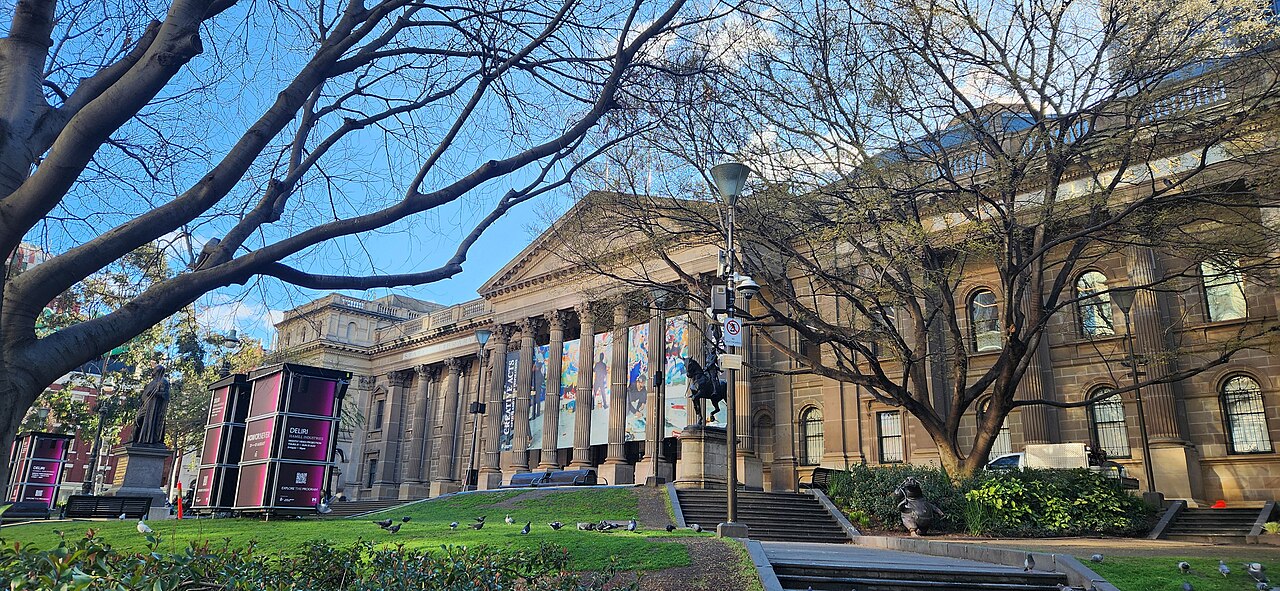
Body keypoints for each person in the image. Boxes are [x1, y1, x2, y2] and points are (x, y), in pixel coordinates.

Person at [130, 364, 170, 446]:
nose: (153, 371)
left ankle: (144, 440)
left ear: (158, 371)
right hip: (146, 405)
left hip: (153, 408)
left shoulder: (163, 381)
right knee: (137, 419)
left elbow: (165, 395)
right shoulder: (152, 382)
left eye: (154, 369)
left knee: (140, 419)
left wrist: (155, 393)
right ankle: (134, 439)